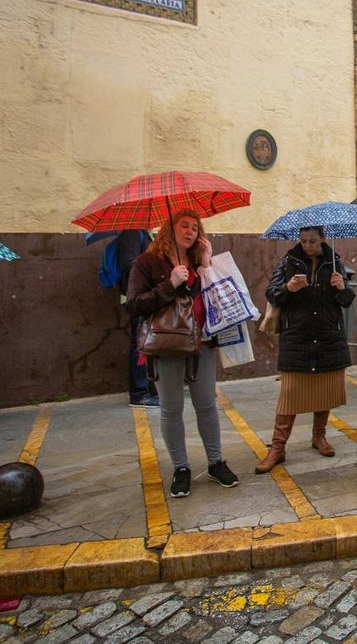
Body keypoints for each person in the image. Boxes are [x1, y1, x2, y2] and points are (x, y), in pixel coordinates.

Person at [126, 210, 239, 498]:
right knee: (171, 408)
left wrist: (205, 266)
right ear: (169, 229)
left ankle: (215, 462)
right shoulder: (146, 262)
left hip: (201, 342)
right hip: (166, 346)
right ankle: (181, 468)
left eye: (194, 227)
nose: (189, 231)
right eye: (183, 225)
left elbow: (214, 297)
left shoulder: (198, 261)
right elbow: (135, 305)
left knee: (207, 405)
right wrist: (170, 283)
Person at [256, 226, 356, 473]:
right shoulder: (289, 261)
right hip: (298, 336)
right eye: (303, 241)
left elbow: (347, 301)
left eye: (312, 241)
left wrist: (342, 287)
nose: (307, 245)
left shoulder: (334, 263)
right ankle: (277, 448)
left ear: (322, 239)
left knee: (325, 391)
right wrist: (288, 288)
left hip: (327, 336)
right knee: (289, 396)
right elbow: (272, 293)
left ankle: (319, 436)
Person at [114, 229, 158, 408]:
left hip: (147, 297)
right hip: (137, 299)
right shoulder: (131, 233)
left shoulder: (145, 233)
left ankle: (148, 387)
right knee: (140, 343)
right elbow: (127, 265)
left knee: (146, 343)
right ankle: (139, 393)